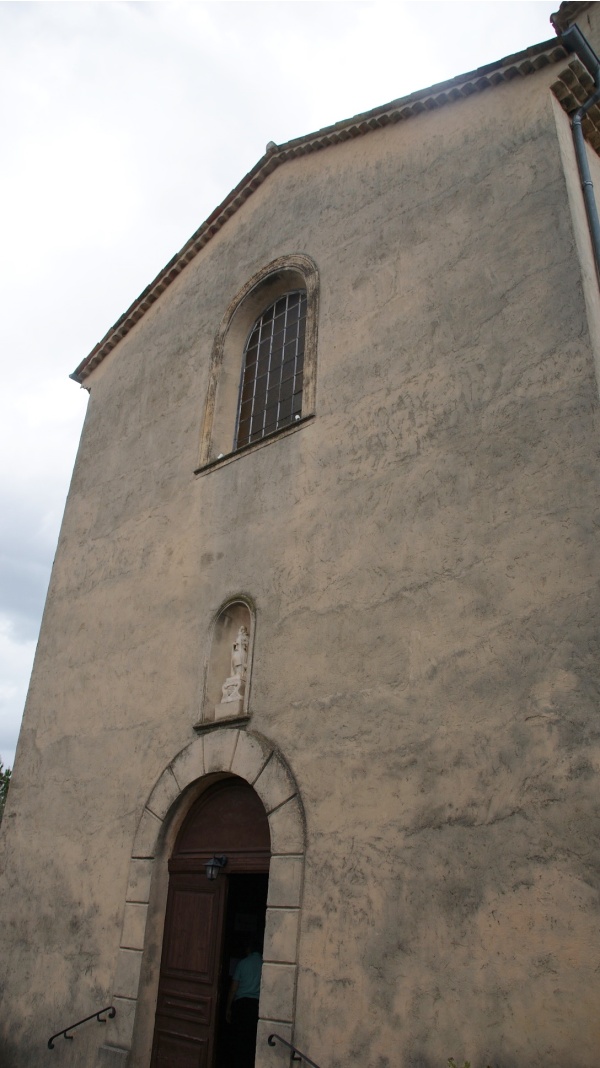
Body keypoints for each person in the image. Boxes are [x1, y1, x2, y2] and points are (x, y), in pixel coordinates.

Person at [226, 937, 263, 1068]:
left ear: (249, 949)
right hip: (256, 1007)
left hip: (241, 1006)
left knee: (239, 1040)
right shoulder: (264, 964)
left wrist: (228, 1008)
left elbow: (233, 988)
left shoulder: (242, 963)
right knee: (252, 1041)